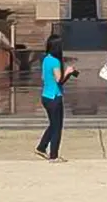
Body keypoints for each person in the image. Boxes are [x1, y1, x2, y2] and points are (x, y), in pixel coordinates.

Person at [35, 34, 77, 162]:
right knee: (57, 127)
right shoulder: (55, 61)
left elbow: (44, 77)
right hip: (54, 97)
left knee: (53, 124)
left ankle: (41, 147)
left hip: (46, 95)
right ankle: (54, 155)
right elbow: (59, 80)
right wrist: (68, 72)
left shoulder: (46, 59)